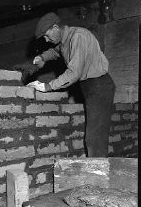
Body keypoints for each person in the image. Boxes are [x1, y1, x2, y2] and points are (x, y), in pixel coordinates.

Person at [27, 12, 115, 157]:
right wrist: (42, 57)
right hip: (90, 86)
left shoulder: (78, 36)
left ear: (55, 28)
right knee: (94, 136)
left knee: (94, 139)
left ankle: (98, 177)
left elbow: (74, 73)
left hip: (99, 86)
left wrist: (48, 86)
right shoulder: (64, 40)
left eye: (47, 36)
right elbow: (56, 52)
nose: (47, 40)